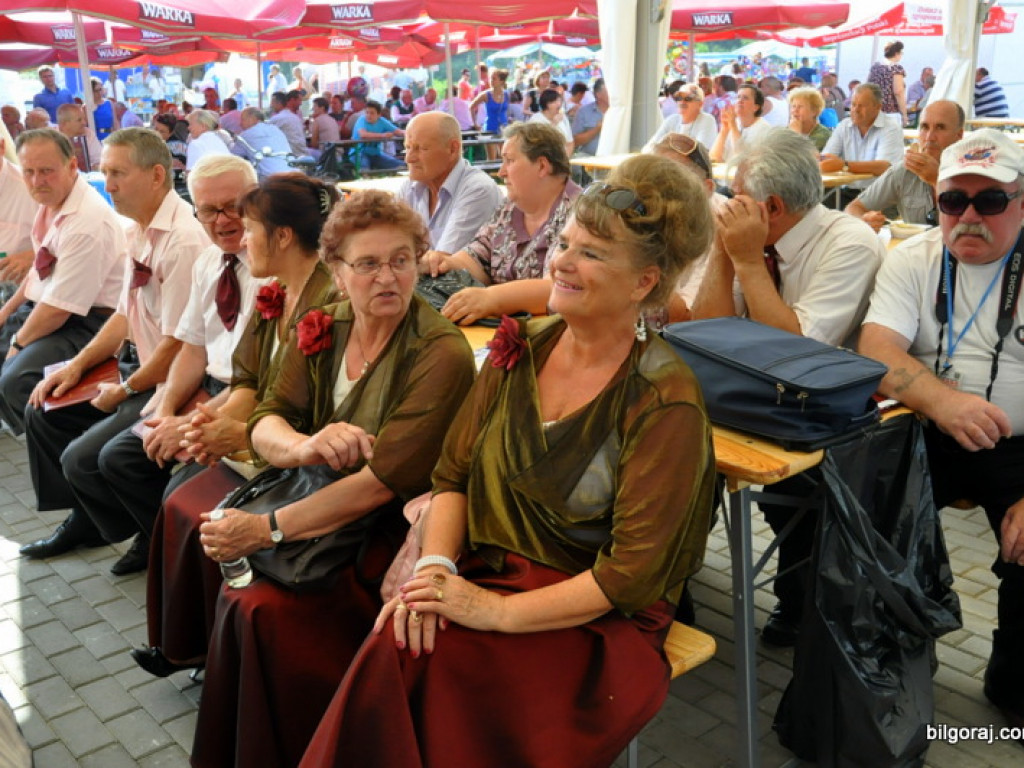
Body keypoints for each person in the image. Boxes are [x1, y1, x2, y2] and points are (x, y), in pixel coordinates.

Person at [299, 153, 717, 768]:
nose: (561, 262)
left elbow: (627, 577)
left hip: (592, 618)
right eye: (566, 242)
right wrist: (437, 568)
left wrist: (492, 610)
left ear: (645, 283)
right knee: (402, 637)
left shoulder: (663, 400)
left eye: (592, 253)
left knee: (435, 665)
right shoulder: (523, 344)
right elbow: (454, 474)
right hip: (492, 565)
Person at [189, 190, 476, 768]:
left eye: (402, 259)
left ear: (421, 259)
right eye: (366, 264)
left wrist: (265, 529)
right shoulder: (326, 322)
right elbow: (269, 414)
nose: (388, 278)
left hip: (386, 529)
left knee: (259, 607)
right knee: (230, 574)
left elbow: (377, 485)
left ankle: (304, 738)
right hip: (317, 501)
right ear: (337, 272)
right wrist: (304, 446)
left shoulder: (438, 352)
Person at [133, 171, 339, 679]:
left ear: (284, 236)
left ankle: (211, 648)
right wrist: (205, 423)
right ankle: (192, 643)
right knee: (180, 501)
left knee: (194, 507)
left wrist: (238, 435)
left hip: (300, 448)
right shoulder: (278, 292)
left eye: (249, 228)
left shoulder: (327, 303)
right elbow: (249, 379)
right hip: (267, 433)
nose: (242, 239)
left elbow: (306, 406)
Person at [858, 129, 1024, 734]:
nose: (970, 217)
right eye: (954, 202)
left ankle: (1012, 683)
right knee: (866, 517)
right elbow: (877, 348)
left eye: (992, 201)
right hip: (927, 427)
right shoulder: (914, 257)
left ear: (1022, 202)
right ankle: (887, 655)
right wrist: (942, 402)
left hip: (1018, 446)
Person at [692, 127, 885, 647]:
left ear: (771, 207)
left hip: (825, 415)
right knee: (678, 452)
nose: (727, 205)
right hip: (750, 401)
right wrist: (721, 254)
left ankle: (800, 601)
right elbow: (706, 334)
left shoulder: (849, 243)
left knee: (797, 496)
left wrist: (749, 261)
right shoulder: (751, 240)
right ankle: (665, 579)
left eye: (736, 196)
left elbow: (799, 358)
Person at [17, 128, 209, 568]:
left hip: (168, 379)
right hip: (136, 365)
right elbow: (124, 315)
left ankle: (150, 538)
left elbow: (180, 345)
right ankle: (88, 519)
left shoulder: (181, 240)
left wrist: (124, 391)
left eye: (118, 173)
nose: (109, 184)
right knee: (44, 408)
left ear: (157, 175)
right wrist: (77, 366)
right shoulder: (137, 229)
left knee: (86, 459)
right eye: (104, 172)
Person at [0, 130, 127, 441]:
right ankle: (36, 436)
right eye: (29, 171)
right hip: (53, 306)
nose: (36, 180)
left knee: (16, 378)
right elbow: (38, 274)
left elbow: (57, 310)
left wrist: (16, 345)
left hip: (90, 321)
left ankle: (64, 441)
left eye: (46, 171)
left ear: (72, 166)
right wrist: (5, 313)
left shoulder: (85, 221)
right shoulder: (50, 203)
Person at [422, 122, 581, 325]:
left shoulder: (580, 216)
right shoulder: (510, 208)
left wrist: (492, 299)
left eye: (509, 161)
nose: (501, 171)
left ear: (542, 166)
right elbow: (478, 259)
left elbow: (559, 288)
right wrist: (440, 263)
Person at [847, 100, 965, 230]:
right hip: (913, 249)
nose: (930, 137)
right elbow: (853, 208)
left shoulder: (971, 172)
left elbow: (964, 226)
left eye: (940, 127)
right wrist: (864, 221)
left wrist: (936, 179)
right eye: (924, 127)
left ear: (959, 135)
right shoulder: (906, 170)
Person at [399, 112, 502, 261]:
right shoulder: (410, 187)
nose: (409, 158)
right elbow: (389, 247)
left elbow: (442, 262)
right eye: (407, 148)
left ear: (453, 149)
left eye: (421, 148)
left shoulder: (478, 189)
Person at [649, 133, 723, 321]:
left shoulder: (720, 225)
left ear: (707, 189)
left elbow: (687, 316)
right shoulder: (647, 215)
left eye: (674, 184)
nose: (658, 192)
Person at [820, 83, 906, 208]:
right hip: (847, 192)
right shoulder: (844, 125)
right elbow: (827, 158)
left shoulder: (890, 128)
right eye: (853, 104)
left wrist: (844, 165)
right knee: (814, 213)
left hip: (880, 195)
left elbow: (885, 166)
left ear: (878, 107)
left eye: (862, 106)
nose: (855, 110)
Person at [0, 127, 38, 293]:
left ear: (1, 147)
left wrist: (34, 255)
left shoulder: (34, 188)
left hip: (25, 296)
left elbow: (71, 242)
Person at [643, 83, 717, 154]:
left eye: (688, 98)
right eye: (679, 98)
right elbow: (649, 147)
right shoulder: (671, 120)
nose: (682, 102)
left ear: (700, 104)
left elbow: (700, 152)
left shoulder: (707, 120)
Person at [709, 84, 771, 163]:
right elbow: (713, 158)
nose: (740, 101)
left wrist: (733, 126)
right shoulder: (734, 123)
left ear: (756, 107)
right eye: (738, 97)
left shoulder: (763, 128)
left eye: (745, 98)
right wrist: (724, 130)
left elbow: (742, 159)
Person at [230, 108, 292, 181]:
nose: (240, 124)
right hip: (294, 173)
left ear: (251, 119)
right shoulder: (275, 129)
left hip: (272, 179)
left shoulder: (246, 135)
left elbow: (232, 158)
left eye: (242, 120)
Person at [351, 101, 404, 171]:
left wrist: (413, 134)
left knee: (402, 166)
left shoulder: (382, 121)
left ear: (379, 115)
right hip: (359, 153)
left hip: (376, 154)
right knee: (364, 171)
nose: (368, 115)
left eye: (372, 113)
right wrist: (383, 135)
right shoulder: (361, 120)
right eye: (367, 112)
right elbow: (363, 134)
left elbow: (399, 132)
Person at [470, 69, 510, 161]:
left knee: (504, 155)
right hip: (490, 128)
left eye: (494, 79)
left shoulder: (507, 94)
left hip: (503, 128)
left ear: (501, 81)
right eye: (491, 78)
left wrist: (508, 119)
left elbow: (507, 110)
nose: (491, 81)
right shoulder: (486, 95)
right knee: (492, 158)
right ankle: (490, 174)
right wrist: (475, 123)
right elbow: (471, 106)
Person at [867, 40, 907, 126]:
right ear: (896, 53)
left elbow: (868, 86)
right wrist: (904, 114)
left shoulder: (875, 67)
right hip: (890, 112)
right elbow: (898, 92)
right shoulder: (896, 68)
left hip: (874, 111)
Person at [56, 104, 102, 172]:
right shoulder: (51, 138)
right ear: (64, 124)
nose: (84, 123)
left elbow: (100, 160)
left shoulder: (89, 133)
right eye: (79, 120)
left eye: (84, 119)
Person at [530, 88, 574, 157]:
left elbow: (570, 142)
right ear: (546, 104)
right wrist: (553, 123)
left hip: (562, 159)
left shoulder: (563, 117)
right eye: (555, 101)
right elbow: (536, 143)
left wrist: (566, 161)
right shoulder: (536, 119)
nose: (559, 104)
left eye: (559, 100)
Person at [787, 87, 832, 152]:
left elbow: (805, 157)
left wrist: (796, 134)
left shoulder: (823, 135)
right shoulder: (786, 130)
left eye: (800, 106)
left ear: (814, 111)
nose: (795, 110)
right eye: (793, 106)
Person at [572, 77, 608, 157]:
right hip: (589, 159)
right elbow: (575, 141)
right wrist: (597, 129)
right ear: (598, 94)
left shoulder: (619, 112)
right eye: (608, 91)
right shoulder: (583, 112)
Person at [268, 92, 308, 157]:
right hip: (302, 153)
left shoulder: (277, 118)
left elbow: (267, 137)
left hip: (291, 156)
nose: (271, 105)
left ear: (279, 103)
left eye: (272, 102)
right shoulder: (295, 117)